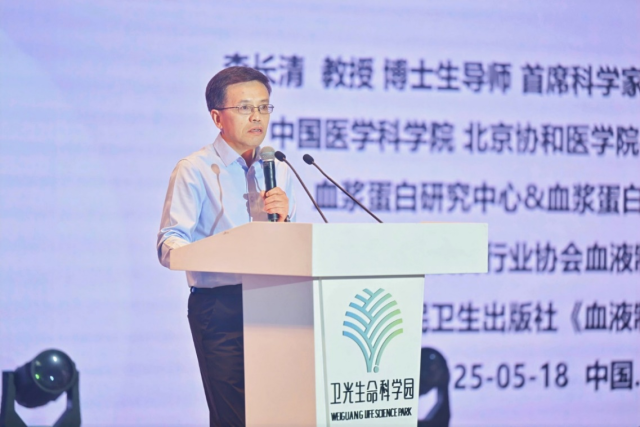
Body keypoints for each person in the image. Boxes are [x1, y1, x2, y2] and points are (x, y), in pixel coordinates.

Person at [156, 66, 296, 426]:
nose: (257, 117)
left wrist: (286, 223)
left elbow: (290, 247)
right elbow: (170, 243)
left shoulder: (278, 168)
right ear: (217, 117)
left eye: (264, 107)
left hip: (276, 304)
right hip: (220, 308)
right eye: (245, 108)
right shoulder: (195, 169)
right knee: (234, 417)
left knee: (277, 414)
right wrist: (220, 251)